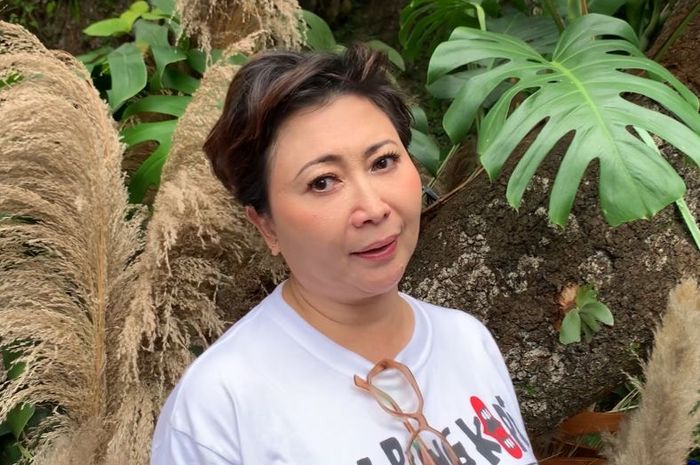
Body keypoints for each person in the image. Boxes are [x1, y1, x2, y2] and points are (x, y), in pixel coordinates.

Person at [150, 44, 539, 465]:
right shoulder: (219, 409)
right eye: (322, 182)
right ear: (266, 225)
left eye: (383, 161)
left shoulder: (467, 341)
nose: (373, 208)